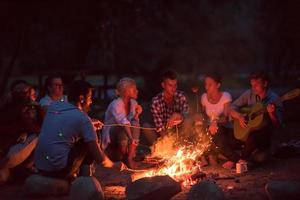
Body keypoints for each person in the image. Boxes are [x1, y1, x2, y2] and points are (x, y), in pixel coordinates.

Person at [34, 80, 121, 181]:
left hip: (40, 167)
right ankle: (84, 176)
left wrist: (90, 125)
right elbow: (100, 159)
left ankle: (74, 173)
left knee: (87, 132)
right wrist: (114, 165)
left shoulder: (54, 106)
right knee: (89, 139)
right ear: (82, 99)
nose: (91, 102)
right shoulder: (83, 118)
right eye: (90, 98)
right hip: (58, 170)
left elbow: (66, 124)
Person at [230, 71, 283, 165]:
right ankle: (249, 153)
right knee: (223, 132)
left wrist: (272, 113)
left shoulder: (274, 99)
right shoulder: (250, 93)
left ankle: (240, 159)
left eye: (256, 85)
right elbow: (232, 107)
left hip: (264, 137)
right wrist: (240, 116)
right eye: (252, 85)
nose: (253, 88)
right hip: (247, 133)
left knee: (259, 154)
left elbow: (277, 125)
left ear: (265, 84)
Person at [0, 81, 42, 184]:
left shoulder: (33, 108)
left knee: (41, 136)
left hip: (19, 148)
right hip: (6, 148)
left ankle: (20, 171)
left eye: (25, 91)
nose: (22, 93)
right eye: (18, 91)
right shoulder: (8, 107)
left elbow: (40, 128)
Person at [199, 74, 242, 168]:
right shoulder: (204, 97)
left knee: (216, 131)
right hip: (210, 129)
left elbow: (226, 118)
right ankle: (207, 156)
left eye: (210, 84)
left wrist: (215, 122)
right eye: (206, 84)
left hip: (225, 128)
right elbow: (203, 116)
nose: (206, 87)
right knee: (200, 128)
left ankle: (238, 160)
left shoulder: (225, 96)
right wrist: (198, 119)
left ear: (218, 85)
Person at [102, 78, 142, 169]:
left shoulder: (133, 103)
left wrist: (137, 114)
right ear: (126, 91)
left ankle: (129, 158)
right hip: (112, 142)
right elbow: (124, 123)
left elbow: (134, 124)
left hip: (125, 139)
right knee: (122, 127)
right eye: (134, 89)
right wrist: (131, 138)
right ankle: (124, 157)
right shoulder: (115, 104)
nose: (137, 91)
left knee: (135, 123)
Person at [149, 70, 189, 141]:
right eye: (170, 85)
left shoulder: (181, 96)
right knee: (146, 126)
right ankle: (160, 148)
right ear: (163, 85)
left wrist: (177, 115)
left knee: (190, 120)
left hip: (179, 129)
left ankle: (185, 143)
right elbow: (160, 127)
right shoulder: (156, 101)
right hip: (163, 131)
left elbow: (187, 114)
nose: (173, 88)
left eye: (175, 85)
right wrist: (168, 143)